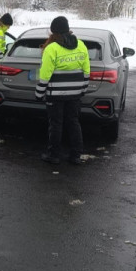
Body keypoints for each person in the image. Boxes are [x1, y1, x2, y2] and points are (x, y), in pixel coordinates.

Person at [34, 16, 90, 165]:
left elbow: (45, 74)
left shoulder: (51, 48)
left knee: (56, 124)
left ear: (53, 31)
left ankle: (54, 155)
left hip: (55, 95)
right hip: (75, 94)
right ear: (67, 29)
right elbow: (86, 70)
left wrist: (39, 93)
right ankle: (76, 155)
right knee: (73, 122)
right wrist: (83, 89)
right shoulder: (81, 45)